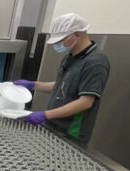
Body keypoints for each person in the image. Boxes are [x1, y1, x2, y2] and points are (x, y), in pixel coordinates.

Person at [14, 13, 111, 146]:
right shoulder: (72, 56)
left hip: (71, 133)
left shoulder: (95, 62)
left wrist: (45, 115)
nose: (58, 44)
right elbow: (62, 86)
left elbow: (85, 102)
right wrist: (33, 85)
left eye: (61, 40)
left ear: (77, 34)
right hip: (53, 125)